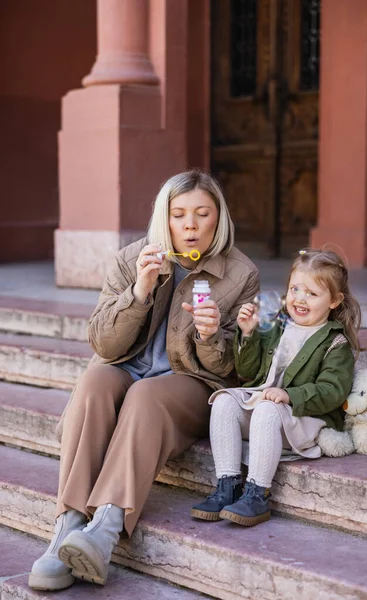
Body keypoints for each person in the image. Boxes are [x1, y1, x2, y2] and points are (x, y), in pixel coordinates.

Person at [28, 170, 259, 590]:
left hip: (189, 383)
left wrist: (210, 337)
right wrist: (139, 291)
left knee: (146, 395)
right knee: (96, 381)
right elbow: (102, 340)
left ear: (218, 219)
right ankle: (66, 529)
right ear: (164, 219)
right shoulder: (131, 258)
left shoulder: (240, 275)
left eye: (202, 214)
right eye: (179, 215)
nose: (190, 225)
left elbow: (240, 370)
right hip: (127, 366)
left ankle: (104, 531)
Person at [191, 249, 361, 527]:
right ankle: (228, 484)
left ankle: (257, 493)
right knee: (224, 400)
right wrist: (247, 333)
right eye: (295, 289)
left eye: (312, 293)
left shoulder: (336, 344)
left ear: (334, 301)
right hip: (267, 414)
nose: (300, 298)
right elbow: (247, 373)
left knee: (268, 410)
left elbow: (333, 391)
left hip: (303, 420)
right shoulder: (276, 326)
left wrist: (290, 395)